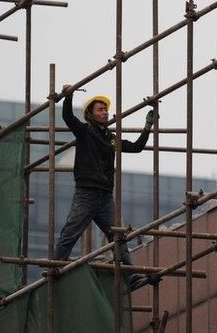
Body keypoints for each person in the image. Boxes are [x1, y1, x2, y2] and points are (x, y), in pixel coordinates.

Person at [53, 86, 156, 284]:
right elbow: (67, 117)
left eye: (105, 109)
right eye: (100, 109)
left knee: (118, 237)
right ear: (90, 115)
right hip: (86, 193)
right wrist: (69, 96)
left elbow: (135, 148)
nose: (105, 112)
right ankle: (56, 266)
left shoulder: (110, 139)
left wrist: (147, 127)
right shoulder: (84, 132)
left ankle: (130, 275)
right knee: (70, 232)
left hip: (105, 196)